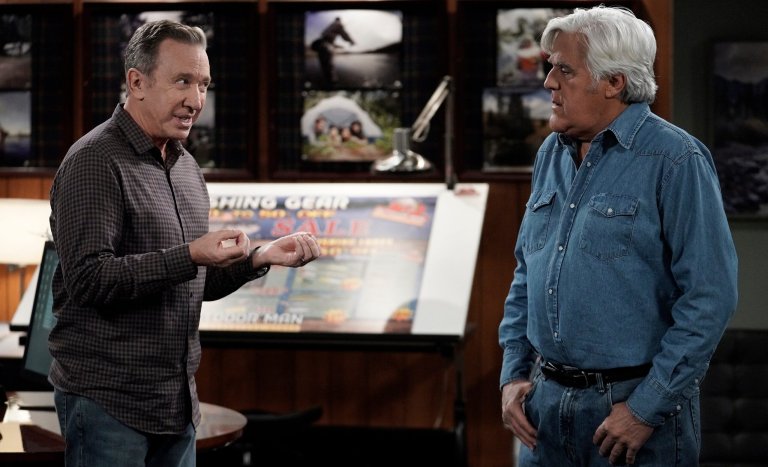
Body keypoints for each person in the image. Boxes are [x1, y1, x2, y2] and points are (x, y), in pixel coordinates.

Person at [48, 20, 321, 466]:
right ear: (137, 82)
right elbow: (89, 280)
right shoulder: (94, 161)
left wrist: (259, 257)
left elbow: (191, 281)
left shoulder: (187, 168)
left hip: (176, 406)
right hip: (107, 405)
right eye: (182, 82)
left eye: (203, 84)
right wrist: (190, 254)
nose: (196, 100)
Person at [498, 6, 738, 466]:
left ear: (614, 82)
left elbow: (710, 298)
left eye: (565, 70)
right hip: (543, 411)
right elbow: (527, 272)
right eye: (551, 67)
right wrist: (512, 374)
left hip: (631, 415)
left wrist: (645, 410)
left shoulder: (676, 160)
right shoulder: (550, 153)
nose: (548, 82)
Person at [310, 16, 355, 86]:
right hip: (325, 46)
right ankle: (332, 84)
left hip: (321, 44)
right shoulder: (338, 24)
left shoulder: (331, 26)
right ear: (339, 20)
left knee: (325, 68)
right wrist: (351, 41)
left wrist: (338, 46)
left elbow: (329, 39)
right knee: (329, 68)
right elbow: (344, 34)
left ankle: (328, 83)